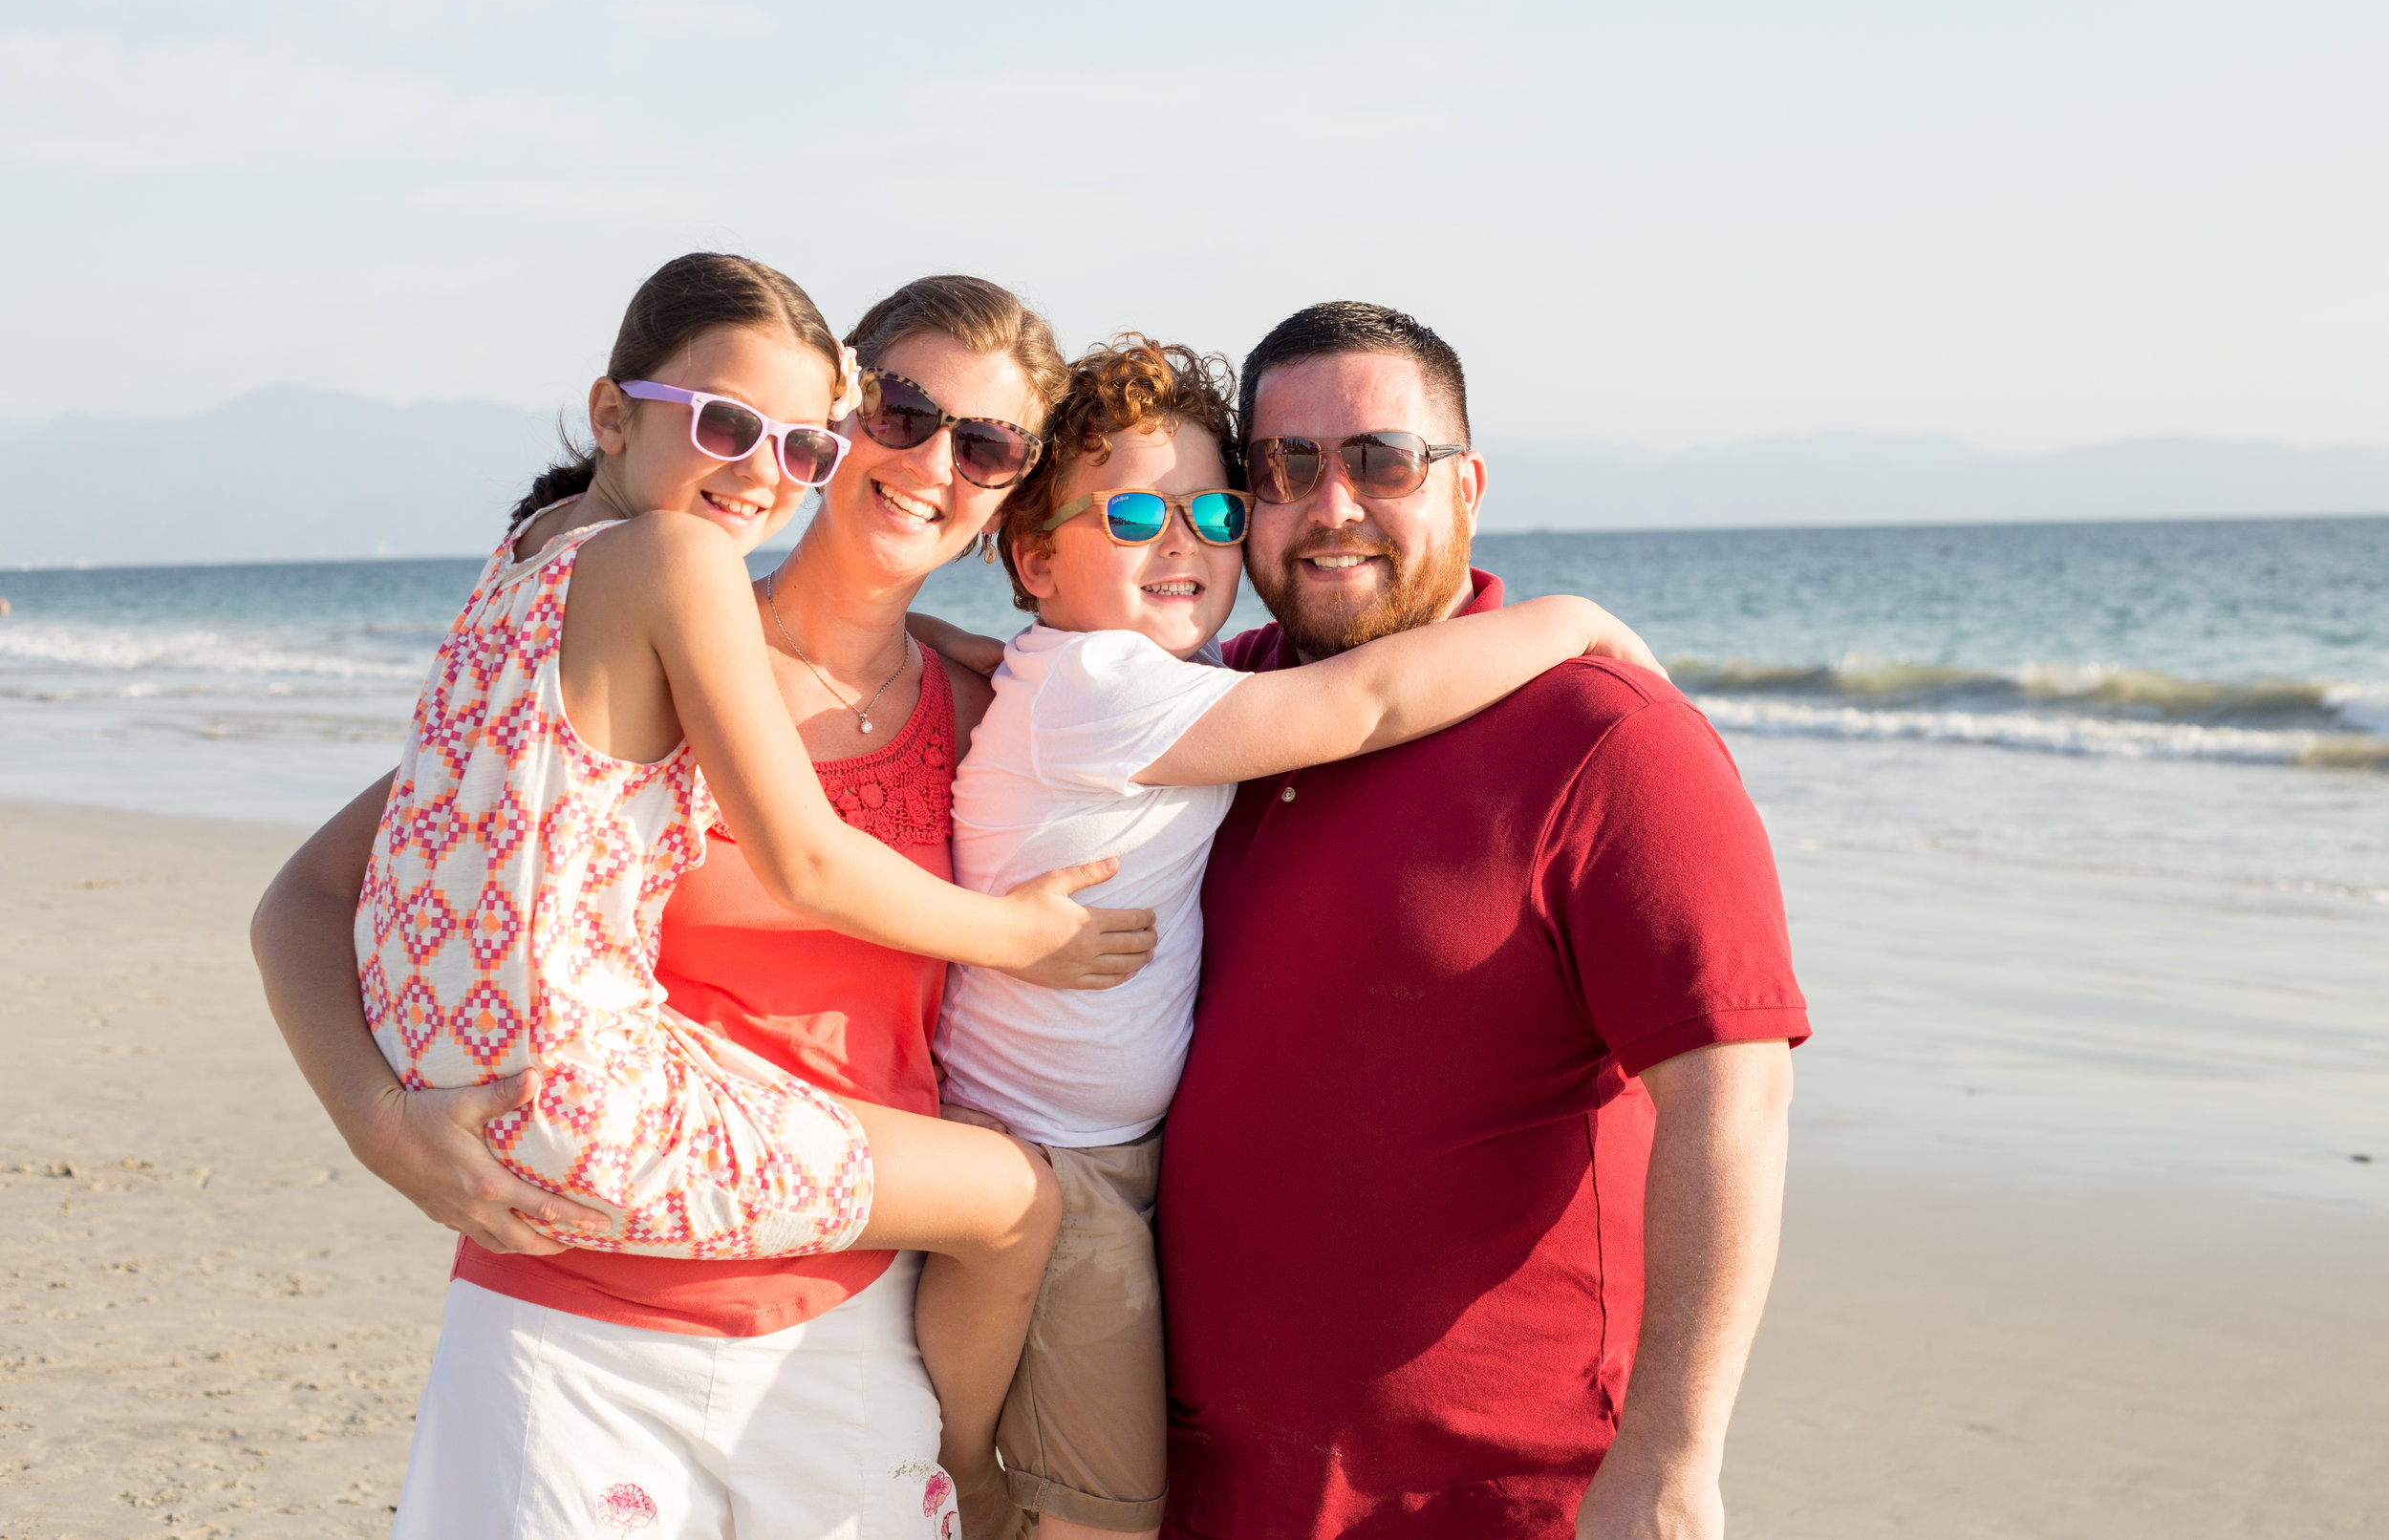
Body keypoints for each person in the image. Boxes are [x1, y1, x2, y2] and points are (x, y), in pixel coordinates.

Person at [253, 270, 1131, 1536]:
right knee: (1011, 1195)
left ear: (1008, 494)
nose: (935, 458)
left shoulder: (998, 712)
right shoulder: (642, 648)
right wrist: (375, 1116)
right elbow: (309, 893)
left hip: (847, 1333)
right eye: (898, 412)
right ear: (841, 415)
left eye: (987, 444)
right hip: (566, 1325)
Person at [917, 336, 1661, 1540]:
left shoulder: (1098, 671)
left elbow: (1021, 663)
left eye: (1214, 507)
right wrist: (1562, 620)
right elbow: (1359, 702)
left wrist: (949, 638)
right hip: (1058, 1161)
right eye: (1135, 511)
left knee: (1035, 1477)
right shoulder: (1109, 684)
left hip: (1082, 1149)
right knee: (1103, 1512)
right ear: (1035, 556)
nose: (1188, 542)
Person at [1156, 303, 1811, 1540]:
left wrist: (1675, 1457)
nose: (1333, 505)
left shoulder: (1607, 738)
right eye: (1284, 468)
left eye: (1382, 461)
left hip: (1501, 1499)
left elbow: (1733, 1091)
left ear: (1468, 486)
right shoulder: (1206, 714)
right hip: (1205, 1497)